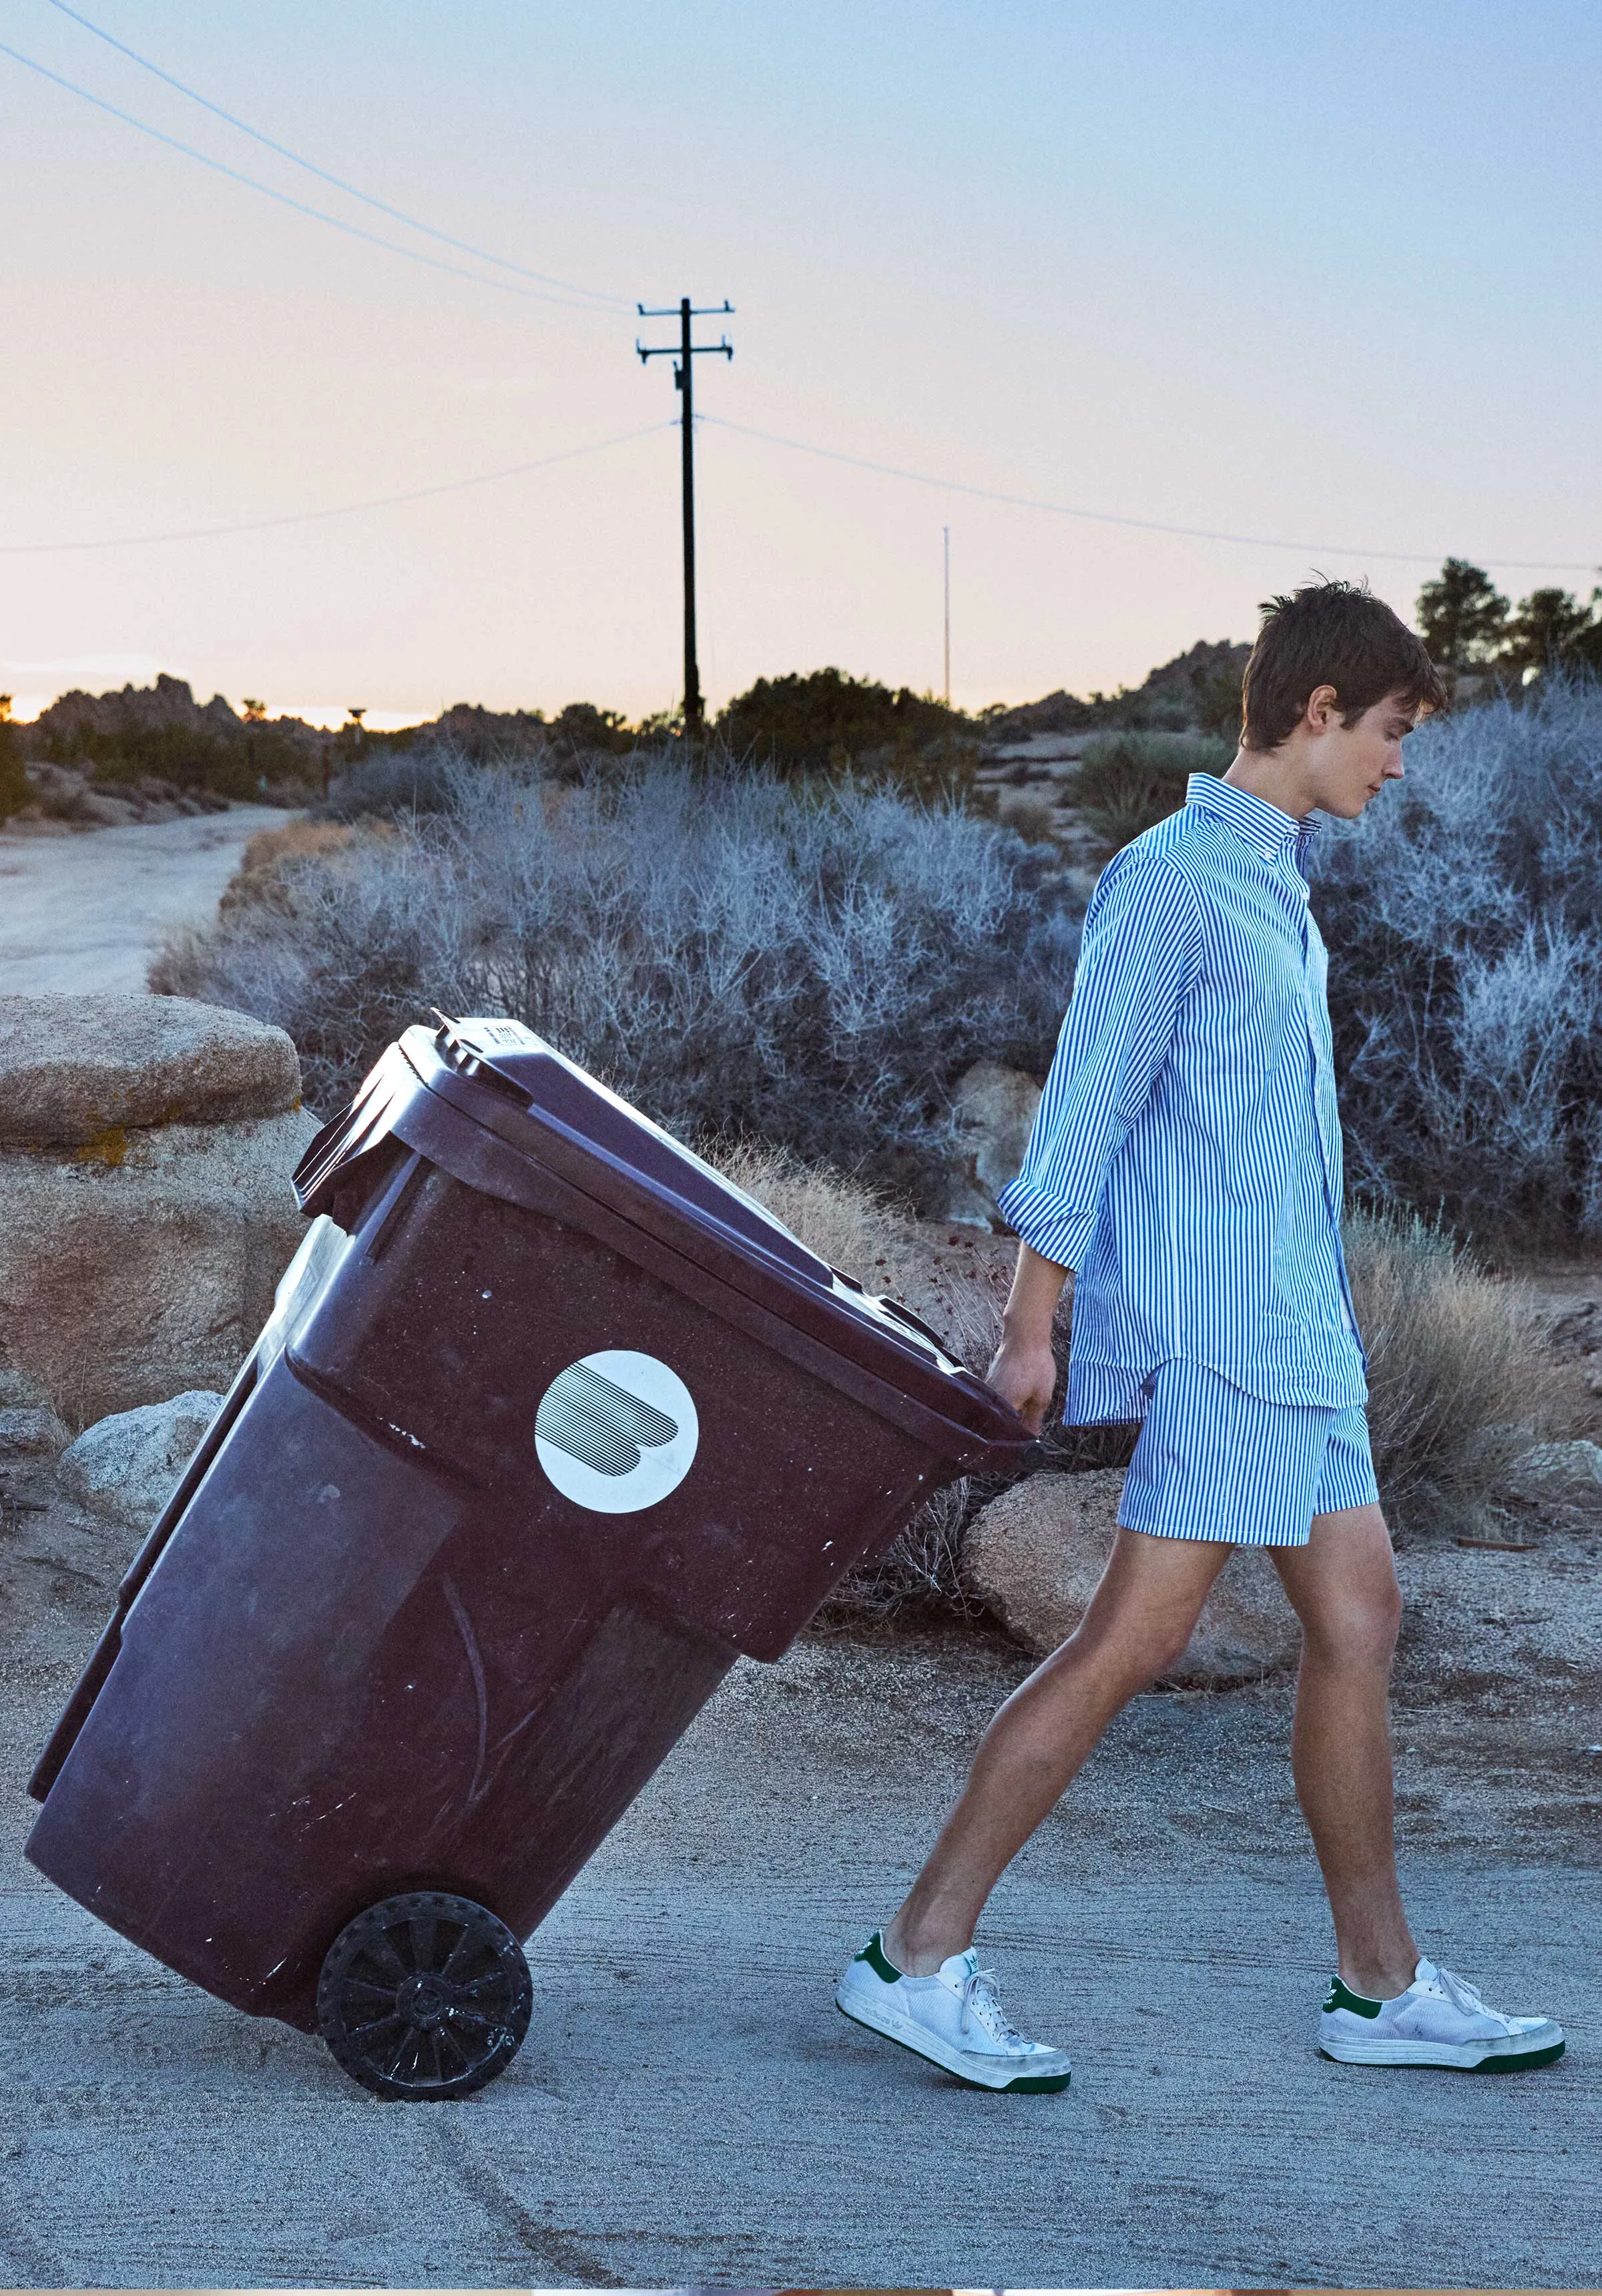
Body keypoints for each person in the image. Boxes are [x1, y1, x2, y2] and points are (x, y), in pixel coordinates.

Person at [836, 580, 1565, 2092]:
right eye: (1391, 730)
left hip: (1300, 1336)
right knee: (1133, 1637)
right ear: (1316, 714)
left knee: (1358, 1616)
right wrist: (1033, 1327)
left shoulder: (1276, 881)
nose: (1401, 762)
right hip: (1228, 1334)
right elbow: (1086, 1109)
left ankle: (1380, 1987)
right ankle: (916, 1953)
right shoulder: (1168, 880)